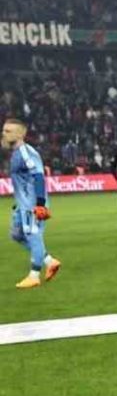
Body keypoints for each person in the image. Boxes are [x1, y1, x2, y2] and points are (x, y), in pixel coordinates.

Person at [5, 118, 60, 289]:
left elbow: (38, 176)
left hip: (32, 204)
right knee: (16, 234)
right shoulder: (16, 153)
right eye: (4, 130)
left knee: (33, 234)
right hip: (22, 203)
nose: (4, 134)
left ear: (20, 134)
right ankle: (49, 261)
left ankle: (34, 275)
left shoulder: (25, 153)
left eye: (8, 131)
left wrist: (40, 204)